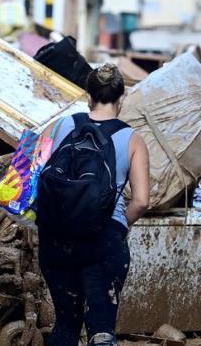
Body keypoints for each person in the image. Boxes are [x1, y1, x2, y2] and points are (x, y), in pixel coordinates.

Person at [37, 63, 150, 346]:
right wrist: (120, 225)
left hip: (55, 239)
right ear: (122, 98)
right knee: (101, 329)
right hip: (104, 241)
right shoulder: (133, 140)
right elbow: (141, 201)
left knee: (65, 324)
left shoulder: (59, 125)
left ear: (88, 95)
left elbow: (30, 174)